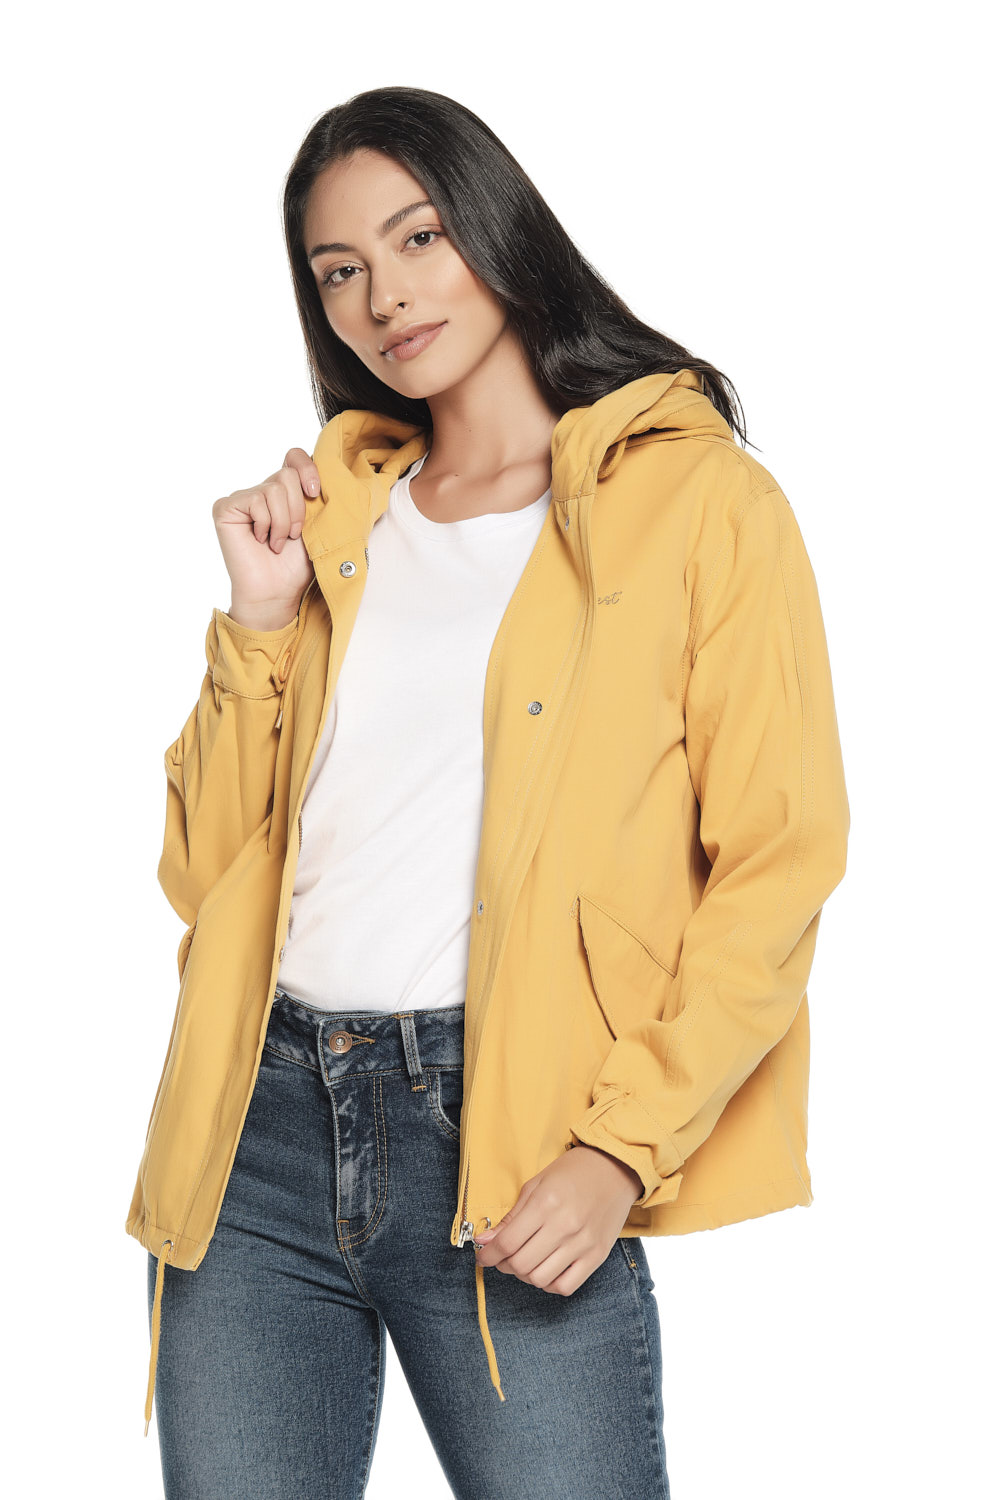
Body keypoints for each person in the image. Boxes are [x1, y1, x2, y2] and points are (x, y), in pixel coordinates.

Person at [126, 86, 850, 1498]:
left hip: (515, 1138)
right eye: (340, 271)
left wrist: (617, 1150)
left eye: (419, 238)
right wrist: (258, 624)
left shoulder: (701, 504)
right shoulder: (335, 519)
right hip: (254, 1138)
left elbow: (779, 864)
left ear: (499, 227)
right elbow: (205, 871)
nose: (385, 297)